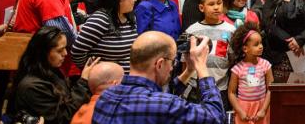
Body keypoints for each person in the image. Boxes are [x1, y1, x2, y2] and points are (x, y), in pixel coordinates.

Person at [92, 30, 226, 123]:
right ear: (160, 64)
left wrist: (189, 70)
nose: (173, 67)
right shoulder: (162, 105)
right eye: (172, 61)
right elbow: (215, 117)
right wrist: (201, 66)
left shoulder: (106, 97)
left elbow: (159, 98)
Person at [10, 26, 94, 124]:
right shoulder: (31, 87)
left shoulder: (50, 71)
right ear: (43, 53)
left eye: (65, 48)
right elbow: (63, 117)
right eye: (60, 50)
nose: (66, 53)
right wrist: (83, 82)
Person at [72, 0, 138, 73]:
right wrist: (92, 72)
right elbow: (77, 52)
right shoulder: (100, 19)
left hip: (126, 80)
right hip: (105, 82)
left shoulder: (131, 17)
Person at [184, 0, 236, 97]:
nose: (216, 7)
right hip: (195, 88)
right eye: (211, 4)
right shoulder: (191, 31)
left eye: (219, 3)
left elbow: (232, 60)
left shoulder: (230, 30)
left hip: (220, 87)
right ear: (201, 8)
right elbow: (185, 62)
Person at [227, 22, 272, 124]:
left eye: (261, 43)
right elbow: (231, 93)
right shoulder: (237, 69)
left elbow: (271, 89)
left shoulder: (266, 65)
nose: (261, 46)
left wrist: (263, 110)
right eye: (256, 44)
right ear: (245, 48)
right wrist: (240, 111)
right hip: (243, 110)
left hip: (261, 109)